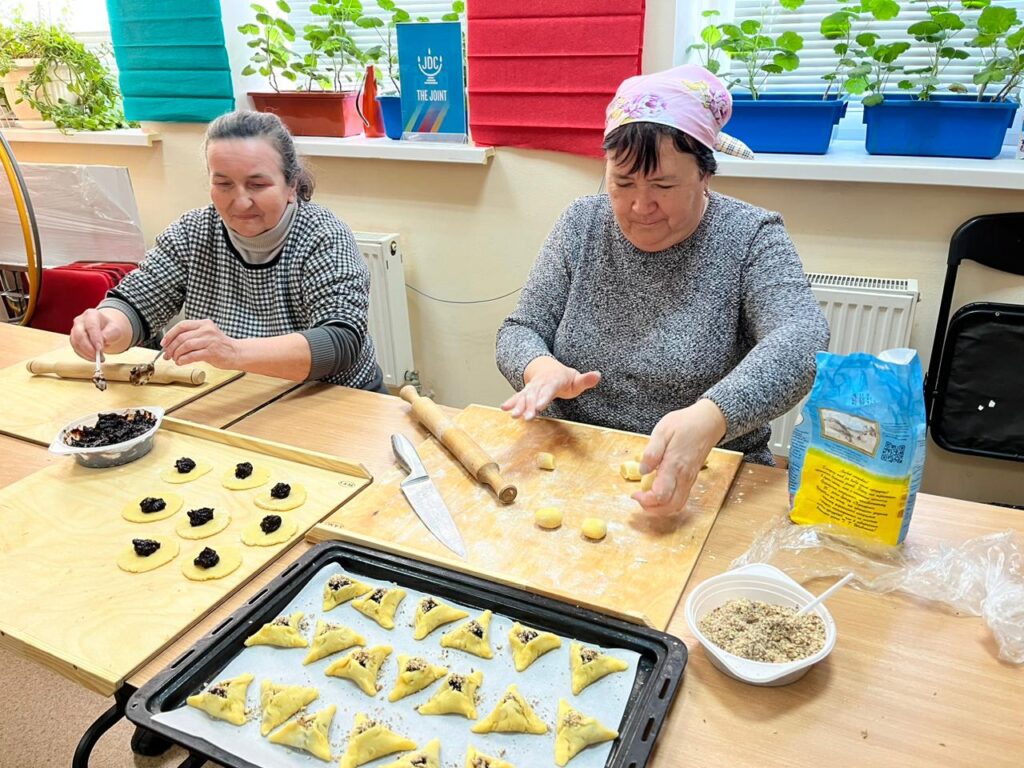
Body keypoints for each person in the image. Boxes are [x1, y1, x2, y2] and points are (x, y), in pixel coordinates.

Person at [496, 65, 830, 517]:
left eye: (663, 185)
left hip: (711, 470)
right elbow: (520, 329)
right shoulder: (582, 224)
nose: (640, 205)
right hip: (579, 459)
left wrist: (712, 417)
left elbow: (803, 339)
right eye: (623, 182)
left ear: (705, 176)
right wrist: (541, 367)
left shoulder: (750, 235)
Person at [70, 109, 386, 391]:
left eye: (258, 185)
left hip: (331, 399)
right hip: (237, 395)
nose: (240, 201)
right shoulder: (192, 232)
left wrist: (231, 351)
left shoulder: (323, 237)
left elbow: (341, 342)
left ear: (291, 185)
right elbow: (138, 303)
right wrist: (108, 326)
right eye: (223, 185)